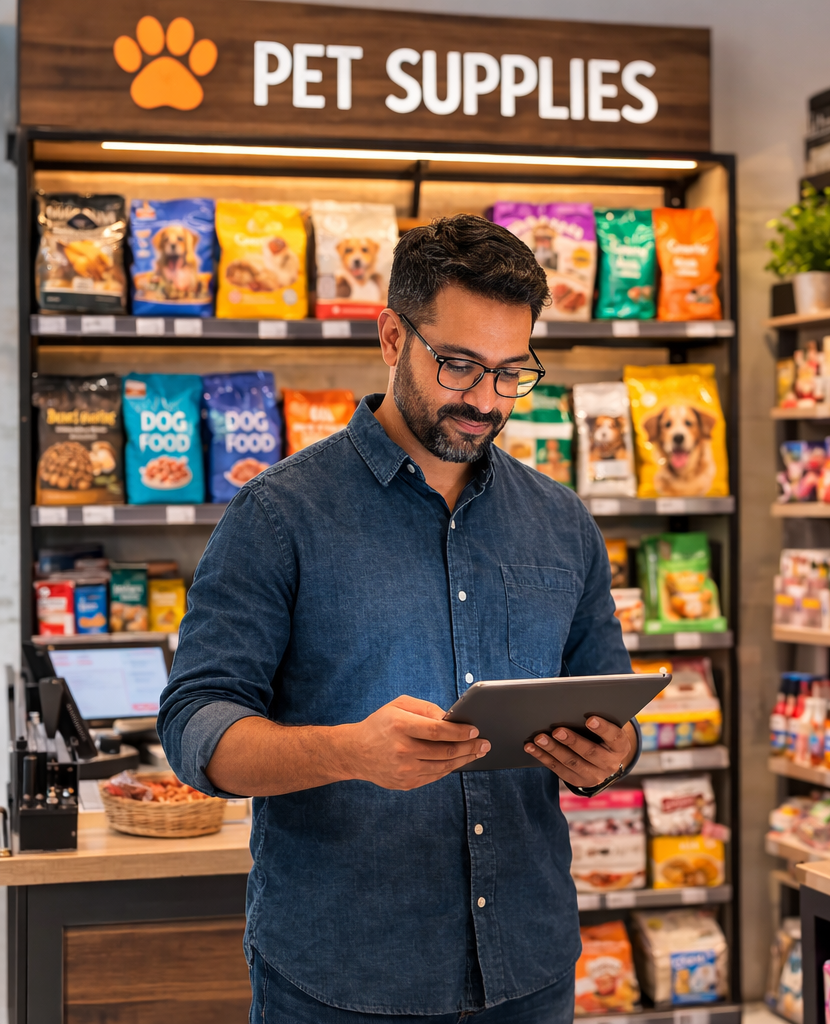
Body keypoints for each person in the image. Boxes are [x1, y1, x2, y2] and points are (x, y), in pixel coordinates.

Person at [159, 215, 635, 1023]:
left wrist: (608, 755)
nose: (486, 400)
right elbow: (195, 726)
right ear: (391, 337)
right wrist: (349, 752)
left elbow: (608, 708)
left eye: (511, 373)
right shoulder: (278, 515)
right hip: (342, 977)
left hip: (529, 970)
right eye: (459, 365)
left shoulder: (560, 521)